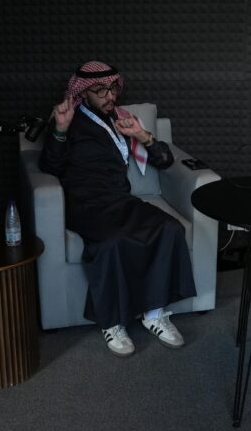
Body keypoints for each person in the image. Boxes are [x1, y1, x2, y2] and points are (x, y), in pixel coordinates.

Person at [39, 60, 197, 357]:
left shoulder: (122, 119)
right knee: (111, 242)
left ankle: (154, 314)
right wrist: (60, 129)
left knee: (169, 228)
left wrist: (141, 134)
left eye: (113, 88)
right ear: (83, 93)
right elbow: (50, 165)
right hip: (84, 203)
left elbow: (165, 160)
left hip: (119, 200)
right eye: (101, 90)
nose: (110, 96)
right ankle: (112, 322)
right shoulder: (68, 120)